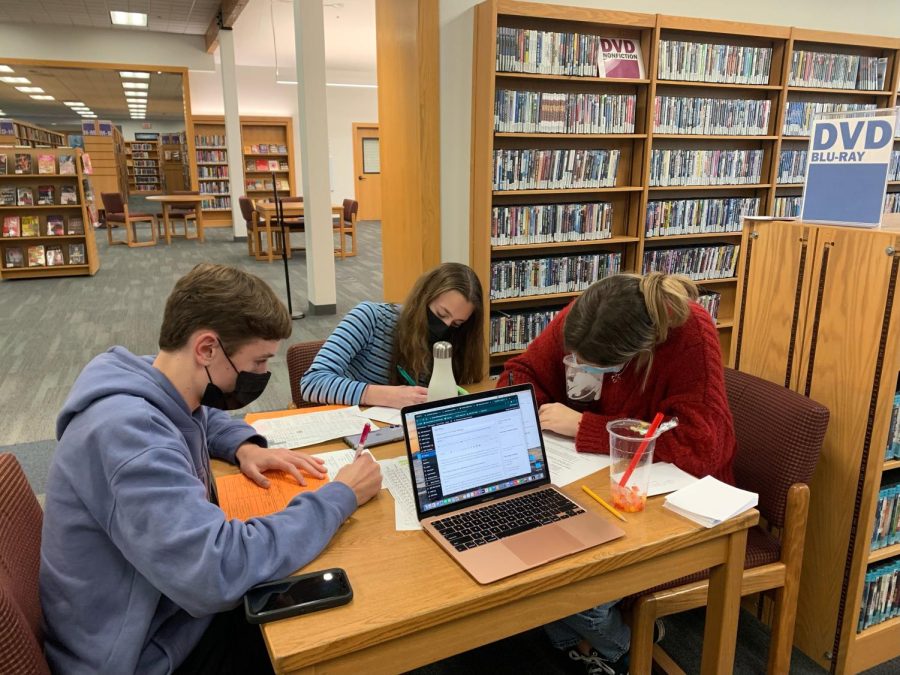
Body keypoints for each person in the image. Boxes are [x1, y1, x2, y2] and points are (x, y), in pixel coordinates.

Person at [40, 263, 383, 675]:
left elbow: (194, 414)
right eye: (258, 362)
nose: (261, 375)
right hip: (143, 652)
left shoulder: (152, 375)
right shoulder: (128, 438)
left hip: (166, 609)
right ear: (206, 348)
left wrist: (242, 445)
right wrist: (340, 496)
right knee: (329, 636)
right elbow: (218, 570)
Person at [498, 271, 736, 675]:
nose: (579, 368)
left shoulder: (690, 333)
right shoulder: (590, 315)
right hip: (593, 478)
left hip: (671, 493)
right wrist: (520, 413)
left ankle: (619, 646)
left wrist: (587, 428)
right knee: (525, 555)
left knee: (579, 584)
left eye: (596, 367)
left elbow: (701, 448)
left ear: (636, 352)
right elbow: (523, 372)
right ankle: (589, 638)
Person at [300, 262, 485, 408]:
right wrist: (390, 395)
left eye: (456, 324)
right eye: (440, 314)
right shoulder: (370, 318)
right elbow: (313, 382)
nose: (445, 327)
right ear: (423, 298)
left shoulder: (455, 342)